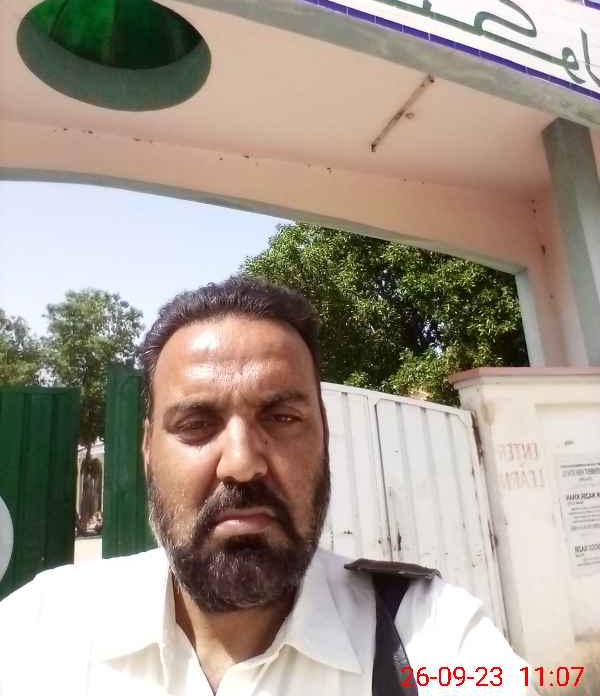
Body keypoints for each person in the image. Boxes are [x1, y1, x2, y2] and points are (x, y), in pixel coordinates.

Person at [0, 277, 536, 695]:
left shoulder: (430, 637)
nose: (241, 464)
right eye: (196, 424)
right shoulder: (40, 631)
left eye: (281, 418)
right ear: (147, 451)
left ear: (324, 435)